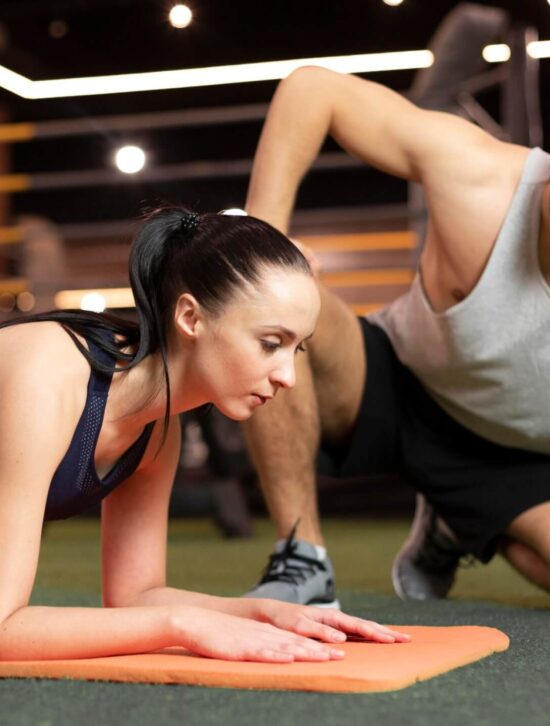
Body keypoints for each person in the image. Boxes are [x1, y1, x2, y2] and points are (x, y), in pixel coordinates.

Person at [0, 206, 410, 662]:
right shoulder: (46, 378)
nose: (288, 377)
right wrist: (185, 625)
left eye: (297, 349)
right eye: (270, 343)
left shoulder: (158, 432)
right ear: (191, 318)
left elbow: (136, 596)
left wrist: (265, 612)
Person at [242, 66, 550, 605]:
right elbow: (314, 90)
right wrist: (261, 243)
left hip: (517, 453)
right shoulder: (477, 176)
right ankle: (302, 557)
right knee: (266, 297)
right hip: (394, 381)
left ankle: (455, 522)